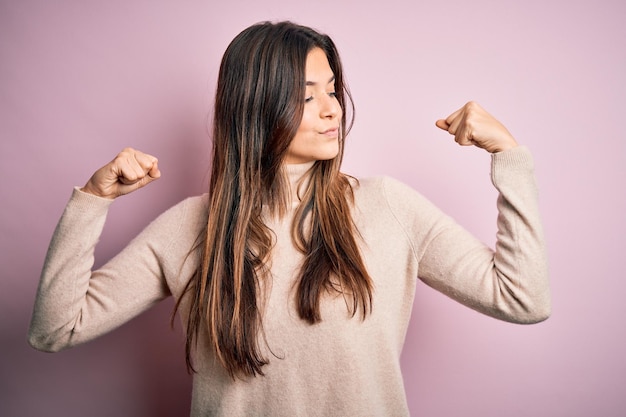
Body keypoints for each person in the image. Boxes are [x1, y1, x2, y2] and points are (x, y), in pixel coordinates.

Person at [28, 21, 551, 416]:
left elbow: (523, 299)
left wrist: (509, 157)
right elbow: (54, 329)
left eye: (331, 89)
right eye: (306, 96)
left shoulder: (389, 207)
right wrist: (92, 200)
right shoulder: (191, 226)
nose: (332, 109)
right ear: (257, 109)